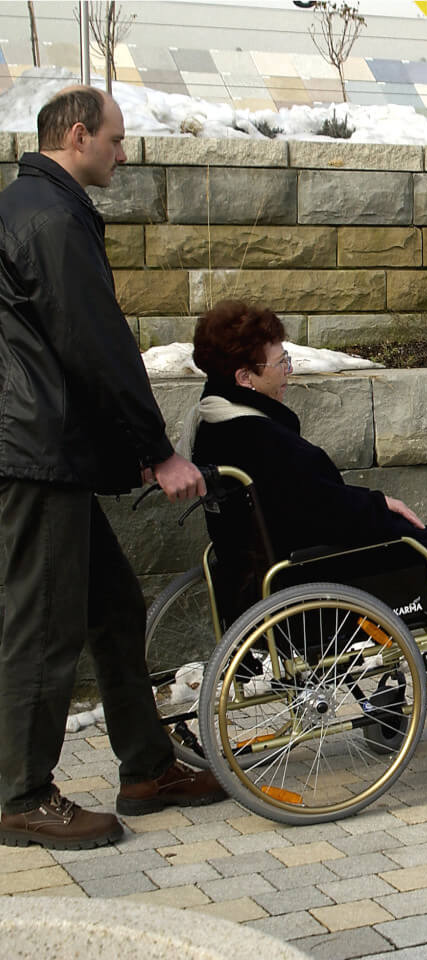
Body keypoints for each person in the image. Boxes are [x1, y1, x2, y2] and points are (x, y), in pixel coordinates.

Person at [187, 299, 427, 746]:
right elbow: (328, 516)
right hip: (316, 594)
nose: (288, 371)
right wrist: (381, 512)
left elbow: (311, 503)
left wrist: (377, 503)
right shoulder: (261, 439)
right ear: (245, 377)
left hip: (267, 585)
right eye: (280, 363)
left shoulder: (215, 426)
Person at [0, 87, 226, 850]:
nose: (124, 155)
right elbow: (94, 347)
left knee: (113, 607)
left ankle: (147, 768)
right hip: (35, 454)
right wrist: (157, 453)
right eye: (118, 140)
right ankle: (22, 796)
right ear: (76, 136)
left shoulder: (29, 206)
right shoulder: (51, 217)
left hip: (44, 447)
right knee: (43, 626)